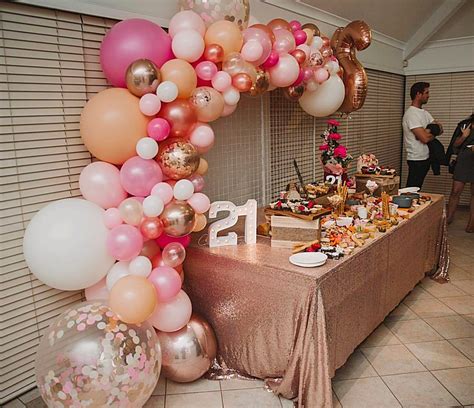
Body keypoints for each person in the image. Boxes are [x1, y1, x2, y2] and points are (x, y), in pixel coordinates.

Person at [402, 82, 443, 188]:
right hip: (416, 158)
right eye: (426, 92)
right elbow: (424, 139)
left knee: (418, 188)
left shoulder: (424, 113)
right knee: (412, 189)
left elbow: (440, 128)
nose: (428, 95)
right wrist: (430, 132)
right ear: (418, 94)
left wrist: (428, 131)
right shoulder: (411, 114)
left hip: (426, 157)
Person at [446, 114, 474, 232]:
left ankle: (471, 224)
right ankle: (448, 218)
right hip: (464, 160)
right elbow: (454, 145)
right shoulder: (465, 124)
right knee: (455, 191)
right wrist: (464, 136)